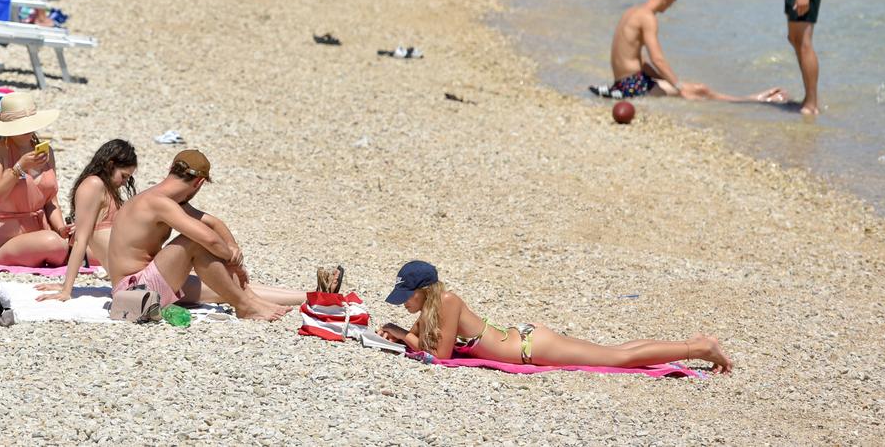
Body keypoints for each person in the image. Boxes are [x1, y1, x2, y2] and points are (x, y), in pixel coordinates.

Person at [376, 260, 733, 373]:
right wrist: (401, 334)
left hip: (533, 348)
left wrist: (400, 333)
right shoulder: (430, 310)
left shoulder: (449, 301)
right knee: (617, 351)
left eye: (409, 296)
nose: (405, 303)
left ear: (427, 291)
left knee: (621, 358)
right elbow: (426, 344)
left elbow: (438, 355)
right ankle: (696, 345)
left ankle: (699, 348)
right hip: (529, 340)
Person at [106, 150, 320, 321]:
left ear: (170, 169)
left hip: (142, 286)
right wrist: (232, 261)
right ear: (199, 183)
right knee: (195, 242)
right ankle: (245, 306)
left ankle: (312, 297)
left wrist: (233, 249)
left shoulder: (162, 200)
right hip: (133, 294)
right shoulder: (159, 203)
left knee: (226, 286)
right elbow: (208, 239)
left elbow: (214, 223)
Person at [606, 0, 786, 103]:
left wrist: (669, 81)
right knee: (701, 90)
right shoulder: (648, 18)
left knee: (691, 87)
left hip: (622, 82)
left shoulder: (631, 12)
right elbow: (657, 59)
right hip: (632, 86)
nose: (670, 6)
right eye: (673, 1)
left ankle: (750, 99)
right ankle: (752, 100)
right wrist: (678, 86)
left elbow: (640, 60)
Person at [39, 139, 139, 301]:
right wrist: (67, 289)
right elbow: (80, 241)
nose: (124, 182)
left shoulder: (106, 189)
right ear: (110, 165)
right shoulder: (94, 184)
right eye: (124, 176)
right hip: (132, 278)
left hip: (133, 272)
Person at [0, 91, 68, 266]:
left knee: (81, 242)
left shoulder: (45, 151)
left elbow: (51, 201)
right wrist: (19, 167)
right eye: (21, 125)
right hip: (8, 241)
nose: (27, 129)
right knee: (53, 244)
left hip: (45, 233)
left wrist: (62, 228)